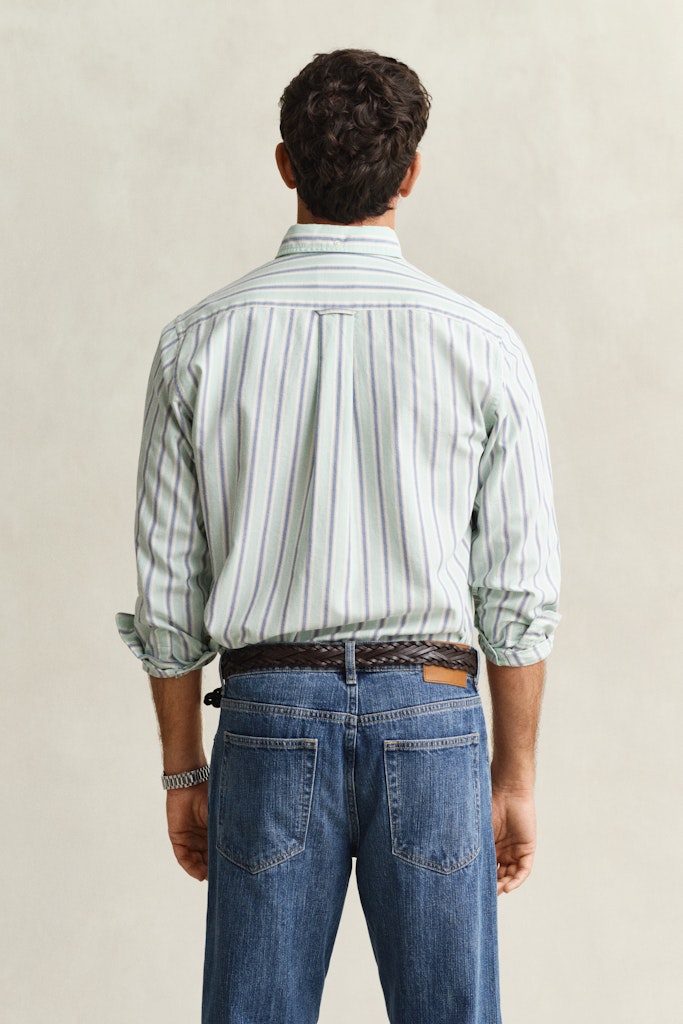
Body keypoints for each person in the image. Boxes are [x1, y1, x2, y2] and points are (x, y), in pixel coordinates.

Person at [116, 48, 560, 1024]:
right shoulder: (480, 344)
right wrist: (513, 778)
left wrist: (184, 769)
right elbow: (517, 594)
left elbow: (166, 590)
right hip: (432, 717)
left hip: (269, 717)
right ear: (409, 172)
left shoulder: (198, 341)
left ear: (285, 165)